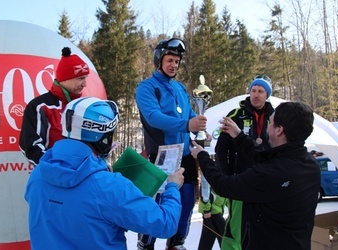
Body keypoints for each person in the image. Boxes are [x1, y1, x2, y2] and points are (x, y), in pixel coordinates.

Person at [25, 96, 185, 250]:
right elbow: (165, 224)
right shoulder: (109, 186)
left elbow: (66, 209)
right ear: (103, 137)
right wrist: (172, 187)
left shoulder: (38, 173)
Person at [190, 102, 321, 250]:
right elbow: (264, 156)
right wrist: (239, 136)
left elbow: (223, 185)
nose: (267, 127)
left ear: (279, 130)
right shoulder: (311, 165)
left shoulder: (271, 174)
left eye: (270, 123)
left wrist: (202, 156)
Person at [135, 37, 209, 250]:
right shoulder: (147, 88)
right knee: (157, 207)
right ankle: (145, 244)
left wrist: (200, 126)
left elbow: (190, 113)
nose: (174, 65)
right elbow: (153, 117)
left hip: (185, 156)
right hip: (161, 157)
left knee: (186, 204)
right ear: (159, 60)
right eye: (169, 60)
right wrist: (187, 124)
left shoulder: (180, 88)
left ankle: (177, 243)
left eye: (177, 61)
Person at [214, 75, 275, 250]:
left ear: (267, 95)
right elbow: (220, 149)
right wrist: (227, 176)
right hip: (241, 180)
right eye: (253, 90)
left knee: (264, 226)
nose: (256, 94)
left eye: (261, 91)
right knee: (236, 227)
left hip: (267, 181)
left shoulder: (275, 117)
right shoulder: (235, 115)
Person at [19, 47, 90, 165]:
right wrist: (58, 168)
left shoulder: (83, 106)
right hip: (53, 177)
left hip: (82, 176)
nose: (85, 84)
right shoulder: (40, 107)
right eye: (80, 78)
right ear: (65, 79)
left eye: (85, 78)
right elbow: (31, 147)